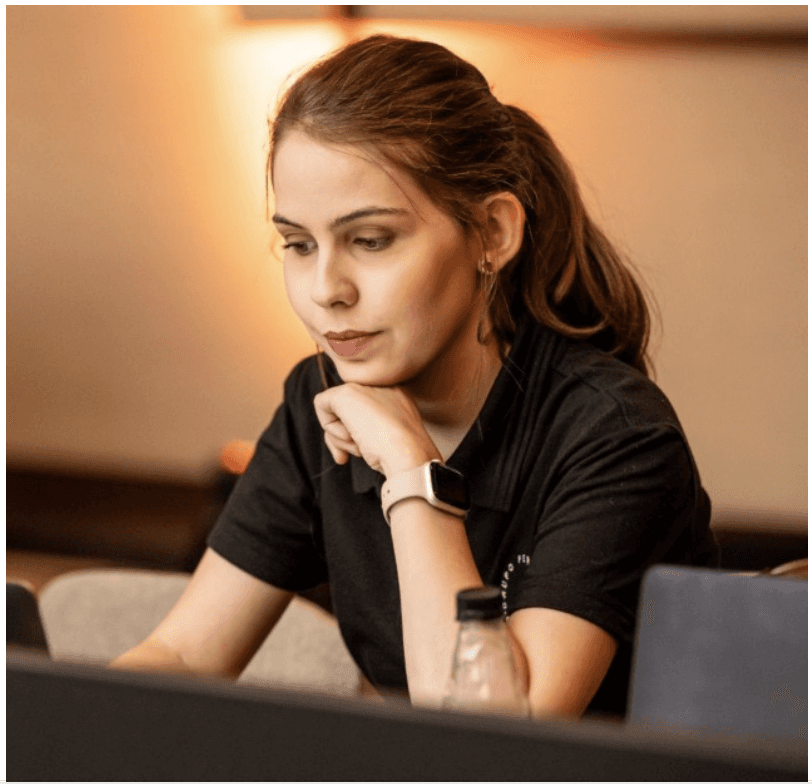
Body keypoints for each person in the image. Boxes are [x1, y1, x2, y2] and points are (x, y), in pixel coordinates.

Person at [113, 34, 716, 718]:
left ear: (492, 232)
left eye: (370, 240)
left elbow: (488, 743)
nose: (326, 289)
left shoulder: (614, 434)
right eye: (298, 244)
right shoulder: (316, 398)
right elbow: (186, 655)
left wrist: (410, 467)